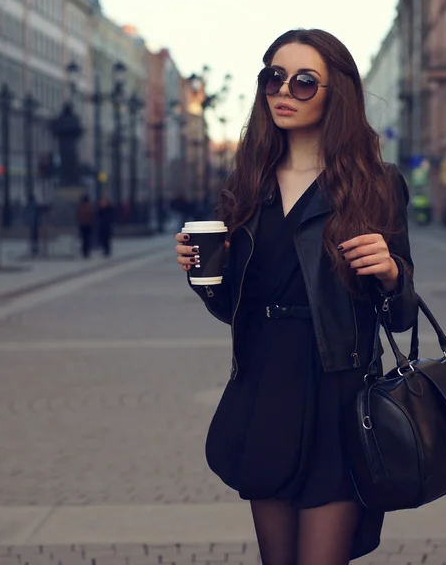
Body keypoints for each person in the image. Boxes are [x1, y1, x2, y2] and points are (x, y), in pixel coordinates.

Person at [174, 29, 417, 564]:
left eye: (305, 81)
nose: (284, 90)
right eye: (273, 77)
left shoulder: (376, 183)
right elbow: (232, 310)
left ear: (338, 93)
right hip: (265, 388)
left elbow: (400, 316)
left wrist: (392, 272)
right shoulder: (247, 184)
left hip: (339, 390)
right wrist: (201, 275)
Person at [76, 193, 94, 259]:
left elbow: (90, 215)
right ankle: (85, 251)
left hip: (85, 225)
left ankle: (85, 251)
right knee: (85, 239)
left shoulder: (83, 206)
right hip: (85, 225)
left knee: (85, 239)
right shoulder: (87, 206)